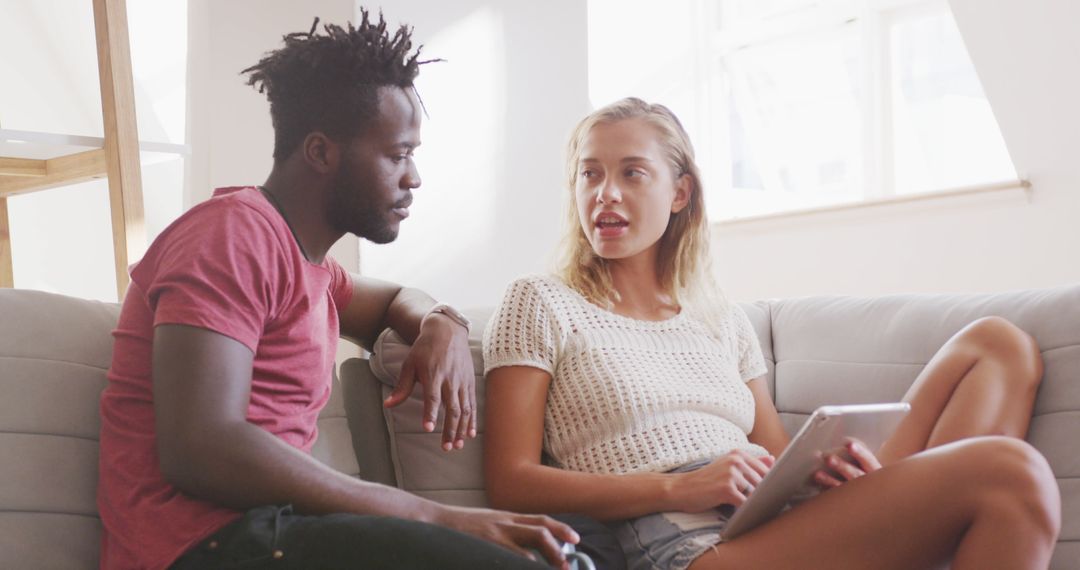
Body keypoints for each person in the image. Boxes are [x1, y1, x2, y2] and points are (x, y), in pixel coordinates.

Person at [97, 12, 593, 570]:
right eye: (397, 154)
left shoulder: (309, 265)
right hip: (209, 548)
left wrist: (441, 321)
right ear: (320, 152)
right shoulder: (231, 235)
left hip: (272, 536)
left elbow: (394, 300)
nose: (413, 177)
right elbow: (200, 447)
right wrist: (432, 515)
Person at [482, 97, 1062, 570]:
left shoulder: (720, 320)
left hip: (773, 518)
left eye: (631, 173)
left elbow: (779, 459)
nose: (605, 192)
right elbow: (511, 482)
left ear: (680, 193)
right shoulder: (540, 301)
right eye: (590, 174)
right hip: (686, 543)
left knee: (998, 347)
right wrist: (678, 488)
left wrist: (836, 473)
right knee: (1009, 472)